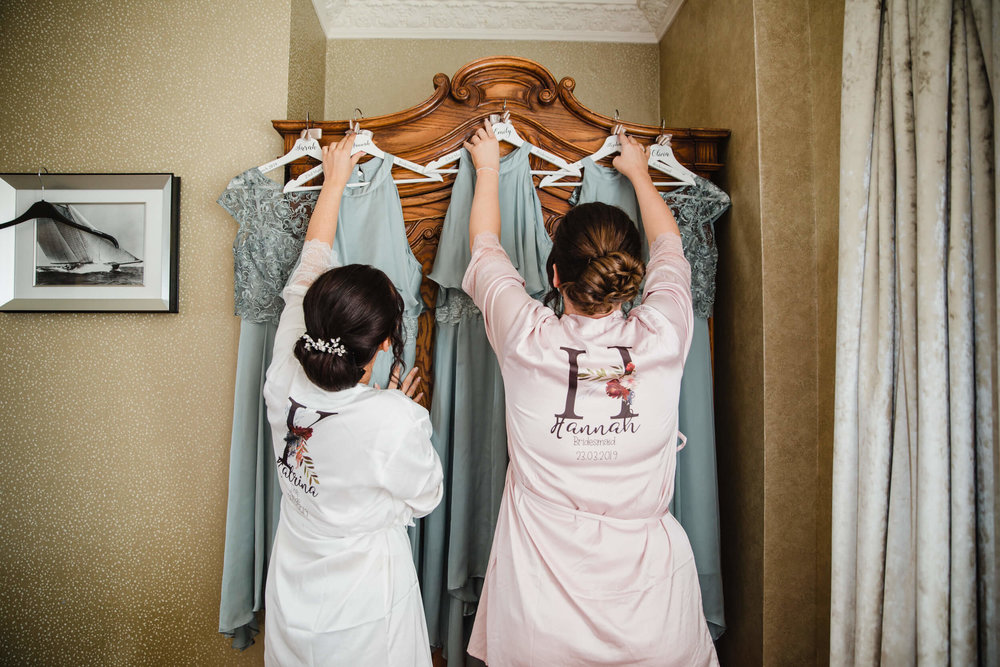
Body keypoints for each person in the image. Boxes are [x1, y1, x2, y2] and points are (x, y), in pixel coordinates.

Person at [461, 121, 719, 666]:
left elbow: (485, 251)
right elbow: (671, 251)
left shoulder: (525, 337)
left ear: (554, 275)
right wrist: (640, 174)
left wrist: (487, 166)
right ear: (632, 276)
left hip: (540, 614)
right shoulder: (665, 334)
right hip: (652, 612)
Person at [261, 134, 444, 667]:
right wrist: (397, 412)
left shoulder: (283, 372)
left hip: (294, 588)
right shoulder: (393, 419)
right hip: (366, 609)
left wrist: (334, 177)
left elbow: (309, 264)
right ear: (386, 343)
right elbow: (426, 496)